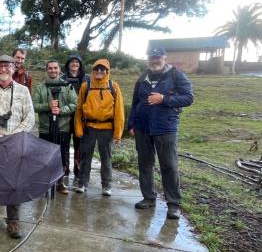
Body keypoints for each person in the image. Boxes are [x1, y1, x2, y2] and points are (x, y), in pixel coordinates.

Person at [128, 47, 194, 220]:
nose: (154, 61)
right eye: (151, 58)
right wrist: (132, 123)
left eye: (157, 57)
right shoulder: (143, 77)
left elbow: (188, 98)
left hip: (165, 127)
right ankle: (148, 197)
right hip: (143, 127)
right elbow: (135, 102)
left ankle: (173, 204)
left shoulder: (176, 75)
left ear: (164, 58)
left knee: (169, 166)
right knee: (145, 163)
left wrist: (164, 99)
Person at [0, 55, 35, 238]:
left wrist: (12, 136)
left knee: (14, 182)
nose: (3, 70)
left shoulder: (23, 91)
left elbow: (30, 118)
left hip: (15, 143)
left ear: (13, 68)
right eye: (0, 67)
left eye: (7, 66)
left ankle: (13, 221)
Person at [74, 58, 125, 196]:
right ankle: (82, 183)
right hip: (89, 127)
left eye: (102, 69)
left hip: (107, 128)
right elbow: (78, 110)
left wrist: (117, 134)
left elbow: (119, 111)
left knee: (106, 158)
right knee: (85, 157)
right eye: (97, 69)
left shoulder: (113, 86)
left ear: (107, 71)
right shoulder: (86, 86)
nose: (99, 71)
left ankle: (106, 186)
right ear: (93, 70)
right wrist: (78, 128)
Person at [32, 60, 77, 194]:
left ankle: (60, 182)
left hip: (62, 128)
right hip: (45, 128)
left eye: (55, 68)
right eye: (50, 68)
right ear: (47, 70)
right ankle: (45, 183)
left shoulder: (67, 86)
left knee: (61, 155)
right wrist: (48, 106)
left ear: (59, 69)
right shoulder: (40, 87)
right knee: (44, 156)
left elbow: (75, 103)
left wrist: (61, 110)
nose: (53, 70)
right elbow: (34, 105)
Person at [61, 54, 86, 180]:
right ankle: (64, 169)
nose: (74, 64)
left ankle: (78, 170)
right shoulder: (62, 78)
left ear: (80, 64)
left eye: (77, 62)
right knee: (64, 143)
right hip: (66, 115)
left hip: (81, 117)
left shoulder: (86, 78)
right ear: (68, 64)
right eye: (72, 62)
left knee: (79, 144)